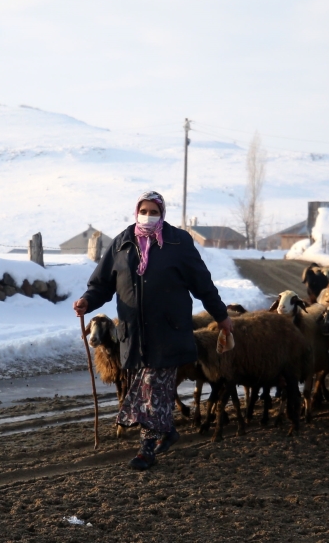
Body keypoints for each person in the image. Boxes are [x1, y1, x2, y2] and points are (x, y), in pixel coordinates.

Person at [73, 191, 233, 470]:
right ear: (136, 211)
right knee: (146, 390)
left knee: (151, 390)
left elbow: (202, 283)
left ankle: (146, 450)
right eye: (144, 210)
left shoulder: (178, 242)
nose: (148, 215)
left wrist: (221, 315)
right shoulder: (122, 244)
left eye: (154, 210)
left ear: (162, 212)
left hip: (168, 333)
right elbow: (101, 285)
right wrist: (87, 301)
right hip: (133, 336)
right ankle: (168, 430)